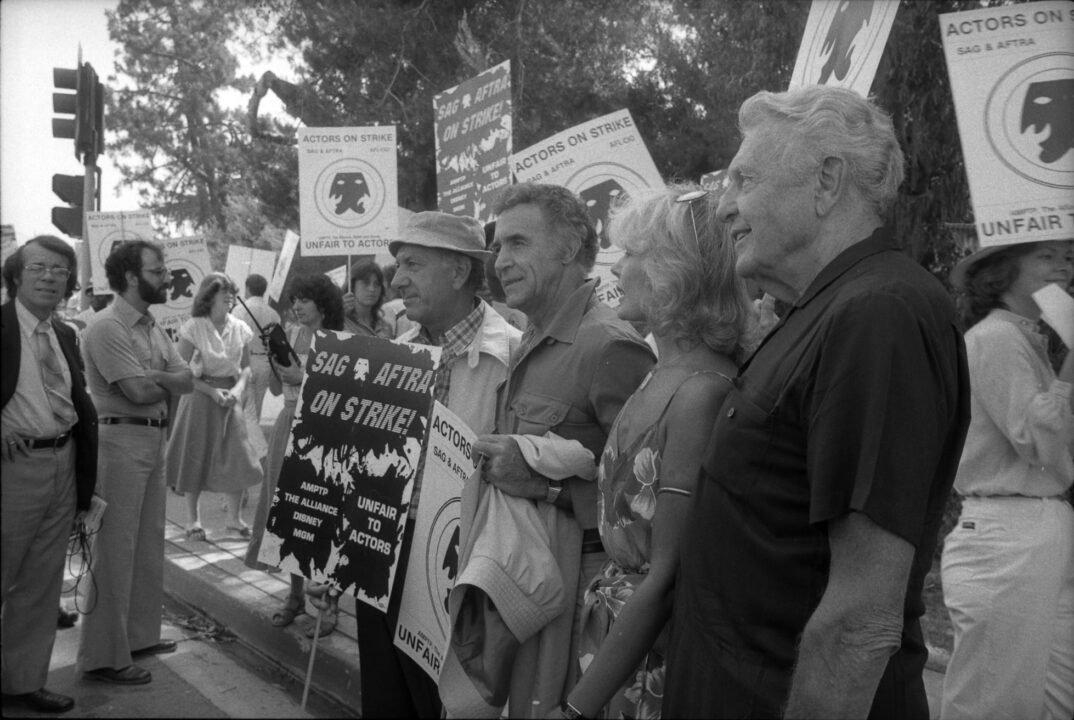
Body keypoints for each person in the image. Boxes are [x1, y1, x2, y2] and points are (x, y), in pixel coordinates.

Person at [663, 85, 971, 719]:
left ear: (827, 181)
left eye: (742, 180)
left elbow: (861, 616)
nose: (724, 207)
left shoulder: (877, 315)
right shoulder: (832, 308)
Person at [560, 184, 752, 719]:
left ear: (674, 269)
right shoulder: (661, 374)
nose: (616, 269)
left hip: (656, 661)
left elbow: (667, 577)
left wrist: (577, 709)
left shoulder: (700, 392)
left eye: (631, 254)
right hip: (622, 645)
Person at [463, 183, 655, 717]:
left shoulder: (610, 345)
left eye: (518, 243)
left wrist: (549, 485)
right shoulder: (528, 337)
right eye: (498, 247)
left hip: (579, 609)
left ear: (570, 249)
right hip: (524, 593)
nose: (501, 261)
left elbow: (650, 507)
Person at [344, 210, 520, 718]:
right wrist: (334, 550)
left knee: (445, 704)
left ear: (460, 272)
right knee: (386, 699)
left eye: (412, 264)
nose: (397, 280)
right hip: (382, 559)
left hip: (458, 571)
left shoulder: (511, 356)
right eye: (398, 265)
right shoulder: (390, 356)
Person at [940, 240, 1074, 720]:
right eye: (1046, 256)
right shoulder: (997, 338)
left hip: (1037, 526)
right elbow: (1037, 444)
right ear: (1003, 269)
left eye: (1068, 256)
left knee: (1052, 696)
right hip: (1008, 530)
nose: (1063, 267)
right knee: (995, 703)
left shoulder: (1026, 336)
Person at [78, 240, 193, 686]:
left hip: (149, 441)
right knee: (114, 551)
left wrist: (159, 378)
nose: (168, 278)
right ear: (131, 276)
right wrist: (166, 381)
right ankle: (104, 656)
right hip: (119, 442)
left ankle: (138, 638)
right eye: (158, 270)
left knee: (146, 546)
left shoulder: (152, 326)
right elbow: (140, 393)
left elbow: (185, 380)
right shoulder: (107, 327)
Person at [1, 236, 98, 714]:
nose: (49, 277)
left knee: (41, 586)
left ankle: (21, 682)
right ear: (16, 275)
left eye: (60, 270)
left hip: (63, 463)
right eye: (38, 267)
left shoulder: (64, 333)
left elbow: (79, 404)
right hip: (12, 469)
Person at [244, 274, 344, 638]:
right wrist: (276, 362)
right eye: (295, 300)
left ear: (323, 303)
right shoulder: (293, 334)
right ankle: (295, 594)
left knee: (320, 515)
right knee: (288, 513)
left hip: (320, 430)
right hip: (288, 424)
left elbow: (345, 392)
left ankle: (328, 604)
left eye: (305, 299)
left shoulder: (337, 340)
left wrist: (303, 376)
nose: (297, 307)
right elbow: (274, 388)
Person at [166, 272, 263, 540]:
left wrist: (237, 390)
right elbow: (181, 371)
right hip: (198, 396)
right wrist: (210, 391)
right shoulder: (193, 327)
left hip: (230, 397)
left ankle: (234, 519)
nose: (230, 296)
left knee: (235, 456)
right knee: (194, 455)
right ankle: (192, 519)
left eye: (233, 291)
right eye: (224, 292)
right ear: (209, 296)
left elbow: (246, 369)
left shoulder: (241, 328)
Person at [232, 273, 279, 421]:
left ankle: (248, 440)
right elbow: (277, 343)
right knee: (257, 408)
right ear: (264, 290)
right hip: (265, 363)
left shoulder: (238, 311)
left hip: (245, 362)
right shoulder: (273, 314)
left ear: (247, 288)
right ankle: (253, 440)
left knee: (246, 408)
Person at [342, 260, 393, 338]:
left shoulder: (386, 328)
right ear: (352, 286)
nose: (372, 289)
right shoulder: (341, 323)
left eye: (377, 284)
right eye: (365, 283)